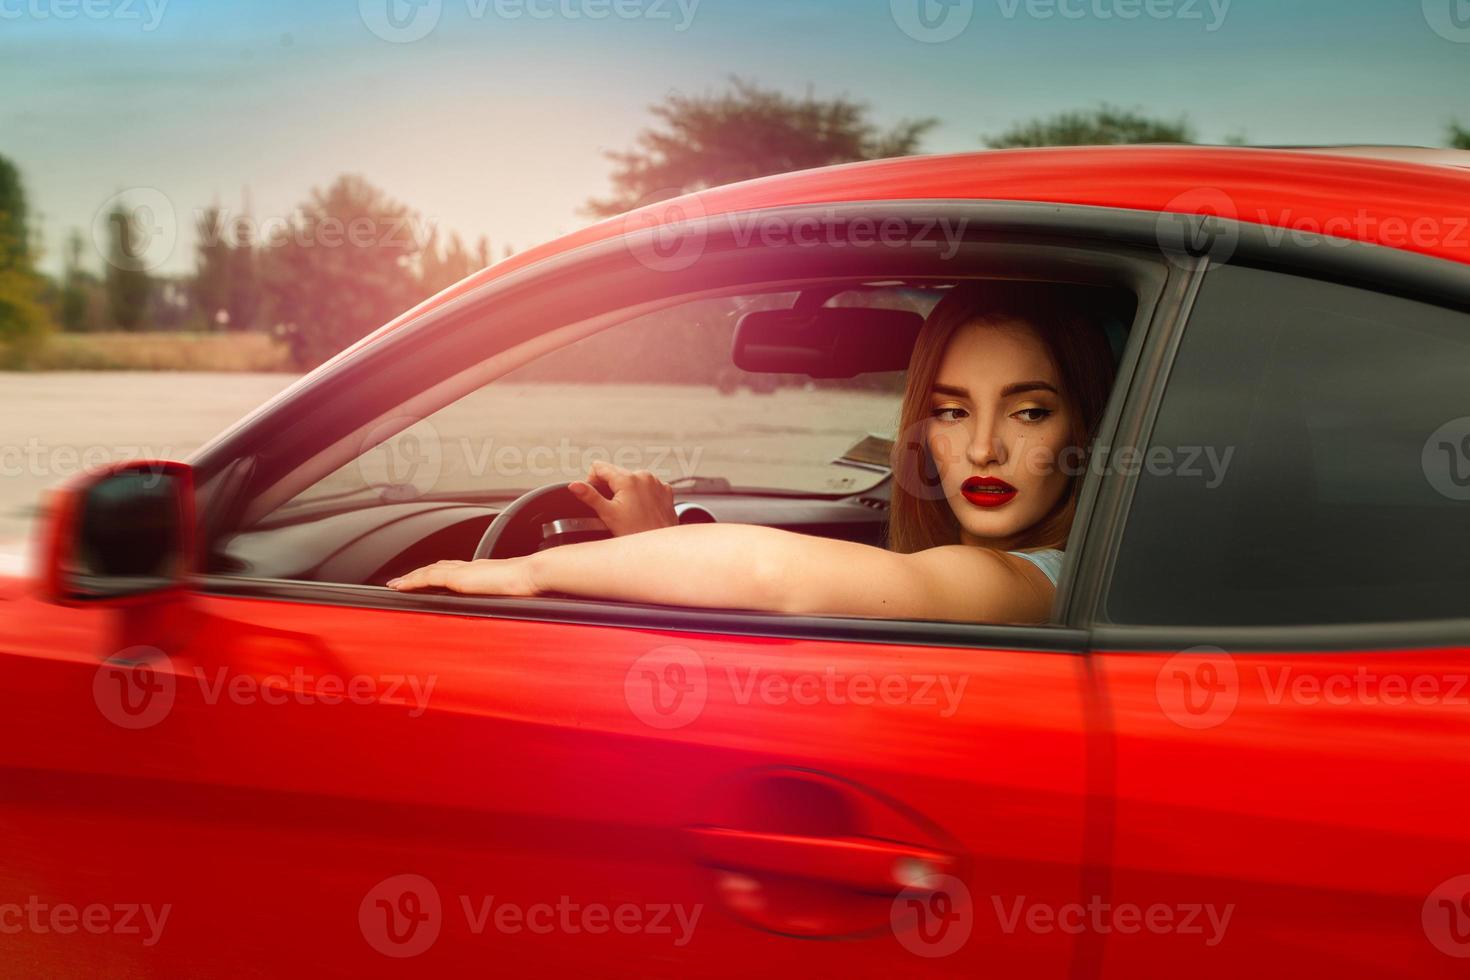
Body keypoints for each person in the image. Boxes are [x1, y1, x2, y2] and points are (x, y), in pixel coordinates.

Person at [389, 281, 1119, 625]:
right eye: (951, 410)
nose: (984, 446)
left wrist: (529, 571)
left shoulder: (1035, 586)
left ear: (1084, 430)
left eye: (1030, 411)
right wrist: (654, 552)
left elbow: (773, 576)